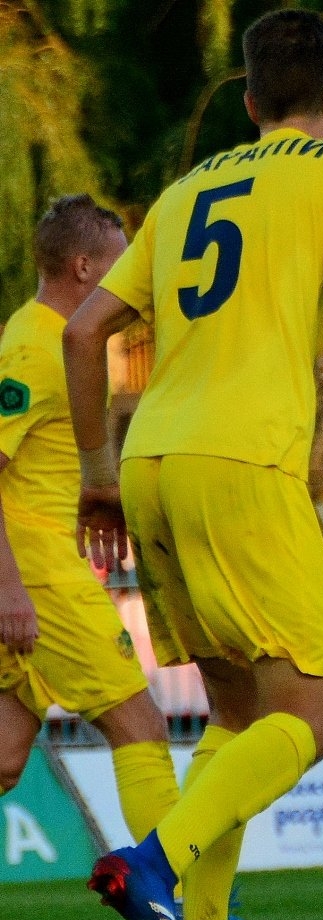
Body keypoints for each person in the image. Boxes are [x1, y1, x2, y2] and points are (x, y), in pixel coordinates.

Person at [62, 10, 323, 920]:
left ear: (250, 102)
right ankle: (152, 864)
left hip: (150, 460)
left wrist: (96, 473)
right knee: (313, 716)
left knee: (238, 711)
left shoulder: (182, 193)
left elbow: (84, 334)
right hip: (244, 460)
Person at [0, 195, 181, 881]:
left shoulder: (56, 340)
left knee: (5, 758)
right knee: (139, 724)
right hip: (34, 572)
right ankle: (189, 910)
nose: (132, 277)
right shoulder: (35, 349)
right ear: (82, 267)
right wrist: (10, 587)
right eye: (120, 262)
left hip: (38, 560)